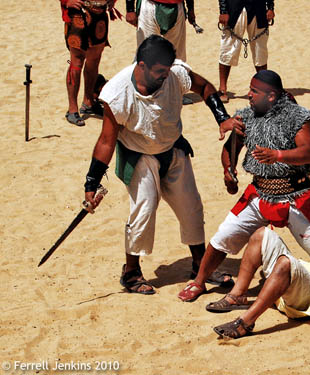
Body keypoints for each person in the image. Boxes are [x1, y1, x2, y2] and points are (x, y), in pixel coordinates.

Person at [83, 35, 237, 294]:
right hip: (139, 155)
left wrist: (221, 117)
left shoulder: (175, 74)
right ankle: (131, 272)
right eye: (158, 72)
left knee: (191, 207)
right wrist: (92, 181)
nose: (165, 76)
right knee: (143, 209)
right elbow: (106, 141)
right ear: (141, 65)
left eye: (167, 70)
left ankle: (200, 264)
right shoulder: (118, 93)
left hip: (173, 147)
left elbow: (206, 87)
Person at [178, 70, 310, 302]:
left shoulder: (299, 117)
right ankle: (199, 281)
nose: (248, 95)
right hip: (260, 194)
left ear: (272, 96)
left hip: (299, 196)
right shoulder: (245, 117)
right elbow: (229, 150)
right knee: (223, 237)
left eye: (254, 91)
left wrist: (278, 155)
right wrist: (228, 170)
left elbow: (308, 152)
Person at [61, 0, 117, 127]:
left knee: (94, 61)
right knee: (77, 61)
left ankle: (89, 102)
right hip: (79, 14)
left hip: (100, 13)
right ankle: (72, 109)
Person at [217, 0, 275, 102]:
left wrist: (270, 7)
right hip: (234, 7)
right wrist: (223, 11)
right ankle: (222, 89)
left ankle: (263, 88)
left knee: (260, 51)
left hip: (258, 8)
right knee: (228, 49)